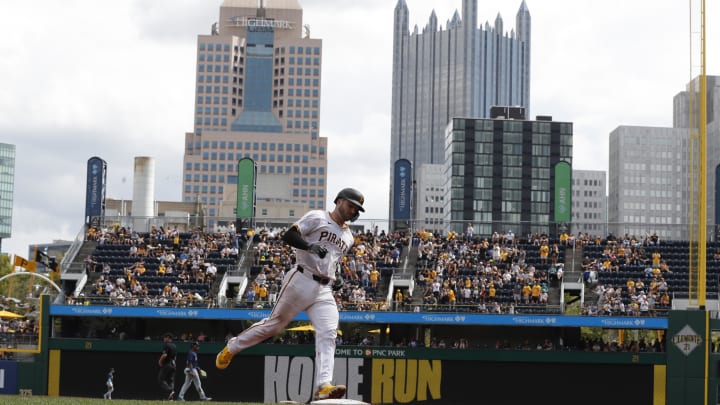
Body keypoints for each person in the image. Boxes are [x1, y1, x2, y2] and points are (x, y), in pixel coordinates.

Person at [216, 187, 365, 401]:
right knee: (274, 326)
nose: (353, 210)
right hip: (301, 279)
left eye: (357, 208)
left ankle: (323, 385)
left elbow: (332, 258)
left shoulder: (348, 236)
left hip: (324, 289)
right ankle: (232, 347)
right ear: (339, 201)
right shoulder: (317, 217)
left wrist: (336, 275)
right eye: (351, 205)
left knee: (329, 333)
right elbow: (289, 235)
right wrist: (310, 247)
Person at [158, 332, 177, 400]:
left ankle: (170, 391)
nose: (164, 339)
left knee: (161, 379)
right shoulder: (174, 346)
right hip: (173, 364)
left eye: (165, 337)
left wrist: (160, 361)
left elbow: (164, 355)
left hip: (167, 364)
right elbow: (175, 358)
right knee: (171, 381)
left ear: (168, 338)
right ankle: (170, 398)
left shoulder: (166, 345)